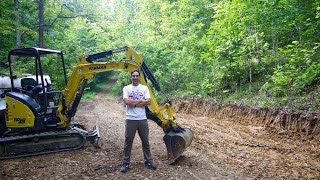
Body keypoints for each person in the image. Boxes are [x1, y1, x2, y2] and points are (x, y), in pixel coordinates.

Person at [120, 69, 157, 173]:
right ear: (131, 77)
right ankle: (125, 164)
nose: (135, 77)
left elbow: (148, 101)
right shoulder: (126, 88)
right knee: (128, 142)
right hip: (130, 119)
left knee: (145, 142)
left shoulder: (144, 88)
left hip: (142, 119)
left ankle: (149, 162)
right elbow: (126, 101)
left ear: (139, 77)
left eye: (137, 76)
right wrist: (140, 101)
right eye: (133, 76)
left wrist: (134, 103)